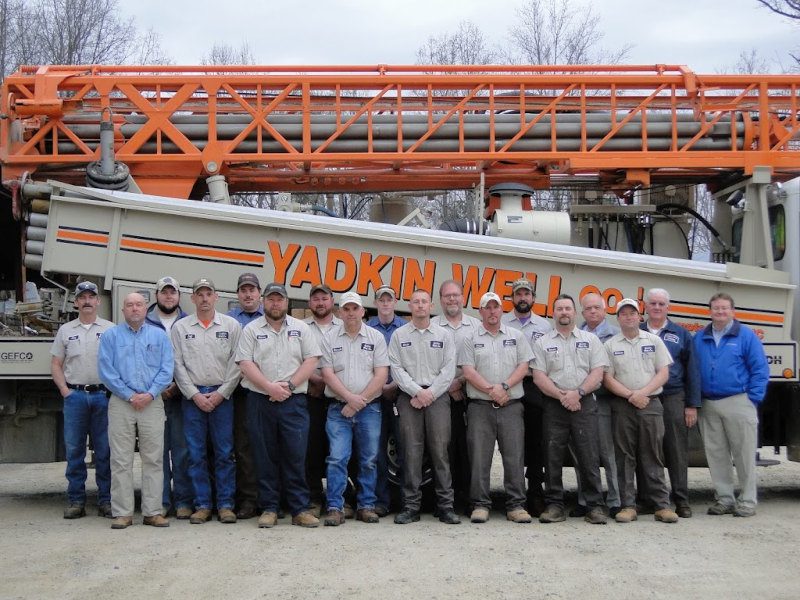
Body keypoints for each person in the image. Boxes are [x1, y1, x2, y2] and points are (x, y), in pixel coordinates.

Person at [236, 282, 322, 528]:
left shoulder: (301, 328)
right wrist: (269, 387)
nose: (275, 303)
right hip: (259, 400)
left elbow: (311, 359)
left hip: (293, 401)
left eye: (280, 299)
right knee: (264, 455)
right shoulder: (251, 330)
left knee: (296, 455)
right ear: (264, 301)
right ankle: (269, 508)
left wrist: (290, 386)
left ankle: (299, 509)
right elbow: (245, 363)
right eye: (271, 299)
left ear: (287, 302)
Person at [531, 294, 608, 525]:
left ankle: (595, 505)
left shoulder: (591, 340)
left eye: (567, 308)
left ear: (574, 313)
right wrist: (562, 396)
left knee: (589, 455)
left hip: (584, 403)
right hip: (554, 405)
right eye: (559, 309)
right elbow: (538, 376)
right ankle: (555, 505)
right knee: (552, 456)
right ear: (553, 313)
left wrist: (578, 393)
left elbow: (598, 372)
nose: (564, 312)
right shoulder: (542, 342)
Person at [98, 292, 173, 529]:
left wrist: (150, 394)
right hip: (121, 403)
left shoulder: (159, 336)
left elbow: (167, 369)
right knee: (120, 459)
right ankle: (122, 513)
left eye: (139, 304)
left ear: (145, 309)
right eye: (129, 305)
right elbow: (106, 372)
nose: (134, 308)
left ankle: (152, 512)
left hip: (152, 401)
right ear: (123, 310)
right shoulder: (111, 336)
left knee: (154, 458)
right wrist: (130, 395)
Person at [172, 278, 241, 525]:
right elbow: (177, 365)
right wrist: (194, 394)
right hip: (193, 399)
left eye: (208, 294)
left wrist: (222, 392)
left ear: (216, 297)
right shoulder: (181, 328)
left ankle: (225, 505)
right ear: (192, 298)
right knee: (195, 453)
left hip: (223, 397)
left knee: (224, 453)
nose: (204, 298)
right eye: (199, 294)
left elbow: (238, 362)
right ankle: (201, 504)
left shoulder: (231, 326)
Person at [603, 298, 679, 524]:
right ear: (617, 319)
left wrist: (642, 393)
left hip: (650, 403)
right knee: (624, 456)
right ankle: (628, 505)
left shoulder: (654, 341)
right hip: (623, 405)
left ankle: (661, 505)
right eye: (623, 314)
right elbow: (607, 378)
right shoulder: (610, 345)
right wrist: (629, 395)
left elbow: (663, 373)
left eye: (632, 313)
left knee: (653, 454)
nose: (628, 317)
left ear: (640, 317)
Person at [694, 292, 769, 518]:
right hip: (708, 404)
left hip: (738, 400)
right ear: (710, 311)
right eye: (716, 308)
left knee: (743, 454)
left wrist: (752, 398)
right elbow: (694, 370)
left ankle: (747, 500)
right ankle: (724, 498)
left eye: (724, 308)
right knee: (716, 455)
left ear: (733, 311)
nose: (720, 312)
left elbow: (760, 369)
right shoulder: (700, 337)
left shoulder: (746, 336)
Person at [388, 288, 459, 525]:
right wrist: (417, 392)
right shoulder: (399, 335)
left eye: (424, 302)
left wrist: (430, 393)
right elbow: (396, 369)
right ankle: (410, 506)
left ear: (431, 306)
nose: (420, 306)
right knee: (411, 453)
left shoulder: (444, 335)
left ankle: (445, 507)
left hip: (437, 397)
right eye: (415, 302)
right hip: (409, 398)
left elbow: (449, 370)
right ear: (410, 306)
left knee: (440, 452)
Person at [460, 292, 533, 524]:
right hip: (480, 406)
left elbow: (524, 367)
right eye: (487, 307)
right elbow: (468, 371)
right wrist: (492, 391)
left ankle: (516, 505)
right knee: (479, 457)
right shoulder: (469, 338)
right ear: (480, 312)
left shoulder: (517, 336)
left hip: (511, 405)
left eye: (496, 307)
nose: (492, 311)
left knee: (514, 456)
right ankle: (480, 504)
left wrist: (503, 387)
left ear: (502, 310)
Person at [320, 291, 389, 526]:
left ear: (363, 311)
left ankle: (366, 505)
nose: (350, 313)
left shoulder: (376, 338)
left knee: (369, 459)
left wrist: (360, 401)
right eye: (346, 309)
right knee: (337, 458)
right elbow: (327, 374)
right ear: (340, 312)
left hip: (369, 409)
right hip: (338, 409)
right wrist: (349, 398)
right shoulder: (329, 338)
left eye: (355, 309)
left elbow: (382, 375)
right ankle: (335, 507)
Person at [50, 281, 114, 519]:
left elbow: (117, 362)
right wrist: (65, 391)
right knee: (75, 451)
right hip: (75, 397)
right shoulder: (66, 330)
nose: (87, 301)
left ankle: (106, 501)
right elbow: (56, 364)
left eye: (91, 297)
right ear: (75, 302)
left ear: (98, 301)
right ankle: (76, 501)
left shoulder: (110, 329)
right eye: (82, 297)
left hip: (102, 397)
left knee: (105, 451)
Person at [640, 288, 701, 518]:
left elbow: (693, 370)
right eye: (653, 303)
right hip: (646, 396)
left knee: (676, 450)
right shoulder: (638, 330)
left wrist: (692, 404)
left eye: (661, 304)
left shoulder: (681, 334)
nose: (657, 307)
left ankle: (682, 500)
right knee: (647, 449)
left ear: (669, 307)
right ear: (645, 306)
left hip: (674, 396)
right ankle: (648, 499)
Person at [501, 278, 552, 516]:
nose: (522, 298)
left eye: (527, 294)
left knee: (535, 442)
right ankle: (513, 494)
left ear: (533, 298)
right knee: (509, 443)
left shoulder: (544, 326)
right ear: (512, 298)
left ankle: (535, 493)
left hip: (533, 386)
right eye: (518, 294)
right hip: (507, 386)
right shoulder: (501, 322)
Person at [432, 279, 482, 514]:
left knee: (470, 449)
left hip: (469, 394)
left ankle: (471, 499)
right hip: (441, 397)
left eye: (456, 295)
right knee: (444, 449)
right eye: (447, 296)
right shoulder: (432, 325)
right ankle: (446, 500)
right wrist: (447, 385)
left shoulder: (476, 326)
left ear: (463, 298)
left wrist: (460, 381)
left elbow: (480, 362)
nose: (452, 299)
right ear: (440, 300)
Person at [569, 292, 620, 518]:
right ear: (582, 312)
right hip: (580, 401)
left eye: (596, 308)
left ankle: (615, 500)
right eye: (588, 308)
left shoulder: (615, 336)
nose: (592, 311)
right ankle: (585, 499)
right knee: (582, 454)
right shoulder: (573, 335)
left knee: (608, 453)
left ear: (604, 310)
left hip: (605, 400)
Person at [145, 276, 192, 519]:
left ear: (179, 296)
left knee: (182, 451)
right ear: (157, 296)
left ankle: (183, 500)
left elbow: (190, 360)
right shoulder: (144, 323)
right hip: (154, 398)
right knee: (157, 452)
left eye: (172, 292)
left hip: (181, 396)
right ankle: (161, 501)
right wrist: (157, 388)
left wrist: (176, 385)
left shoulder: (188, 323)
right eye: (164, 292)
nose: (168, 296)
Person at [366, 284, 408, 516]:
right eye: (381, 300)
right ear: (375, 303)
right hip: (374, 397)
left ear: (394, 303)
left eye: (389, 299)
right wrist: (378, 388)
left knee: (404, 450)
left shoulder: (405, 329)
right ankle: (381, 501)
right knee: (377, 452)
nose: (385, 303)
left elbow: (409, 363)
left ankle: (405, 502)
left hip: (400, 395)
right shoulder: (366, 328)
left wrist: (392, 385)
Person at [227, 272, 264, 519]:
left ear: (259, 293)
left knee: (269, 445)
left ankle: (273, 497)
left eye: (252, 290)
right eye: (243, 290)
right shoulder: (228, 321)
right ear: (238, 294)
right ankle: (248, 500)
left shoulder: (275, 317)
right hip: (238, 392)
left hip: (268, 391)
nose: (248, 294)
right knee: (244, 448)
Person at [304, 283, 343, 515]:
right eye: (316, 299)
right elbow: (296, 359)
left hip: (338, 396)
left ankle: (342, 497)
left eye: (324, 298)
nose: (320, 302)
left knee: (339, 450)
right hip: (311, 394)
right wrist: (316, 381)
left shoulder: (344, 325)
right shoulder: (299, 327)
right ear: (310, 303)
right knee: (312, 448)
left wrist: (328, 382)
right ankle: (314, 498)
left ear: (332, 302)